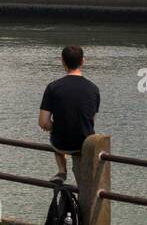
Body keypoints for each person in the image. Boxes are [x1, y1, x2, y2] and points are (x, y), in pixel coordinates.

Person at [38, 45, 101, 184]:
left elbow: (43, 122)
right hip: (85, 143)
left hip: (61, 142)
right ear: (82, 61)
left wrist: (55, 126)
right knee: (85, 187)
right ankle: (85, 192)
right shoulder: (93, 89)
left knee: (58, 131)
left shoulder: (53, 87)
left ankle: (61, 171)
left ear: (62, 61)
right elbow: (91, 120)